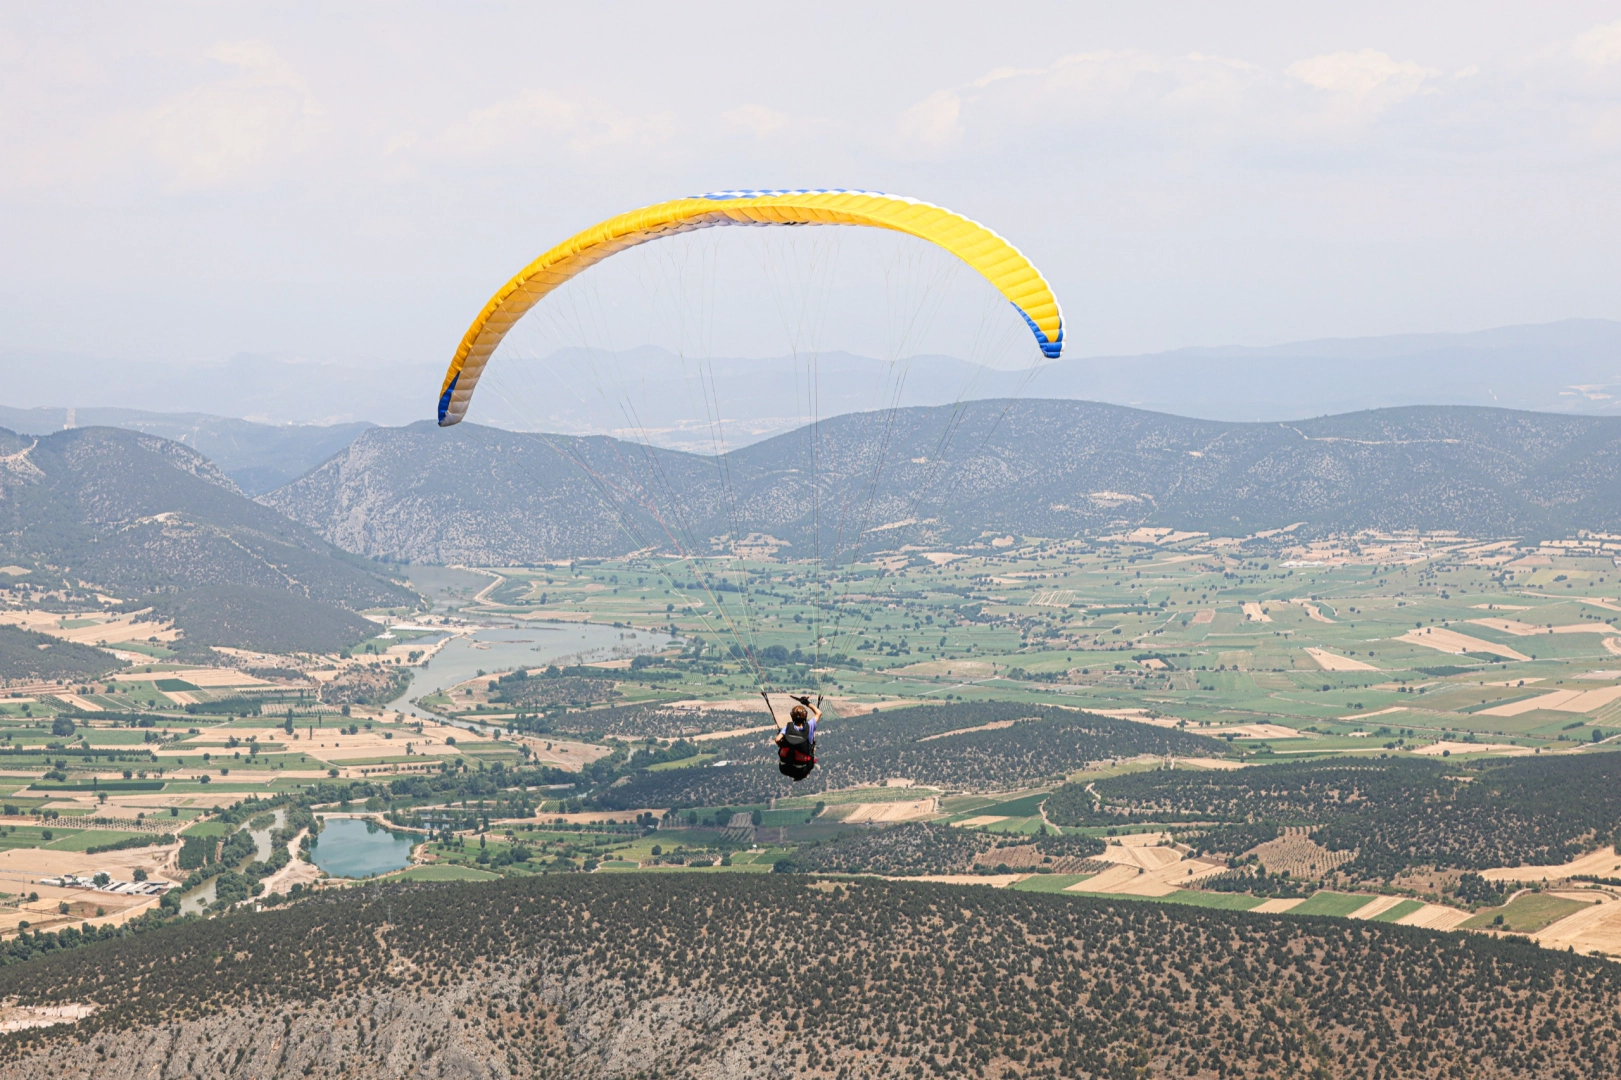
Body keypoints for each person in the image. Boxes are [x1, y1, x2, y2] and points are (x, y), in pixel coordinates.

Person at [766, 693, 820, 782]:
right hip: (802, 770)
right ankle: (803, 772)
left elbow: (777, 739)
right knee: (811, 751)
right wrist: (806, 702)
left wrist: (784, 746)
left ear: (792, 716)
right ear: (805, 716)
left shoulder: (788, 728)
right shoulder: (810, 726)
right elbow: (819, 713)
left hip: (784, 768)